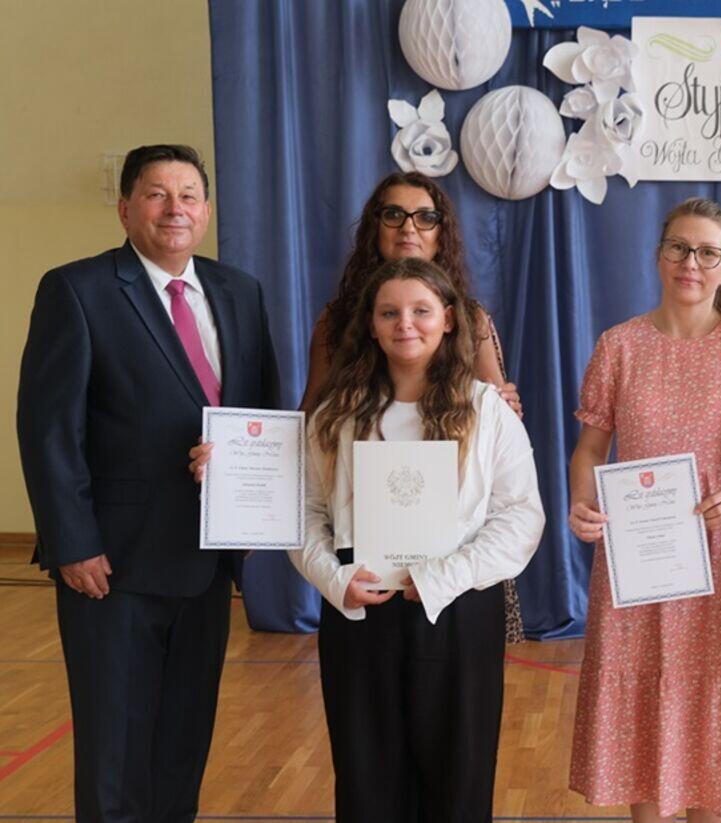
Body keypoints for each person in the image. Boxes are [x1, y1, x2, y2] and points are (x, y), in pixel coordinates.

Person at [16, 144, 280, 822]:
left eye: (189, 195)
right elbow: (49, 429)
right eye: (157, 194)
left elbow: (263, 412)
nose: (174, 209)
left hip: (207, 558)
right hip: (112, 565)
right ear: (126, 207)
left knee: (182, 742)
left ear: (207, 210)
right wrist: (72, 542)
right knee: (114, 746)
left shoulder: (239, 291)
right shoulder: (78, 289)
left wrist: (256, 513)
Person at [286, 257, 543, 821]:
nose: (406, 324)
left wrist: (439, 578)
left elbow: (522, 517)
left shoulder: (487, 409)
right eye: (389, 313)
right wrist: (335, 579)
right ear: (371, 324)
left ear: (447, 319)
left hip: (458, 609)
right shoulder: (337, 412)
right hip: (360, 608)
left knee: (458, 782)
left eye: (421, 310)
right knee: (367, 782)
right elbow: (303, 513)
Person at [567, 197, 721, 821]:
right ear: (659, 255)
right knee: (640, 706)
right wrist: (583, 500)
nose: (691, 262)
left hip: (718, 564)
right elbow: (590, 450)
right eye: (679, 248)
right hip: (634, 563)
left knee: (710, 710)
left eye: (708, 252)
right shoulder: (619, 345)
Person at [299, 170, 528, 643]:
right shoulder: (336, 322)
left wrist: (504, 405)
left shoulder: (471, 319)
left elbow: (497, 424)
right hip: (363, 552)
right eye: (394, 214)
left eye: (425, 217)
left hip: (452, 564)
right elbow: (310, 417)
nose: (409, 227)